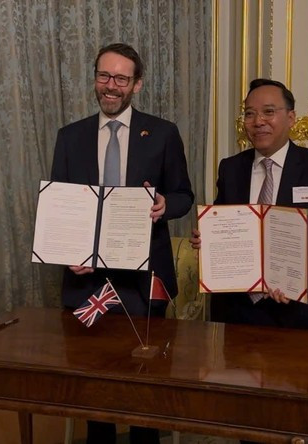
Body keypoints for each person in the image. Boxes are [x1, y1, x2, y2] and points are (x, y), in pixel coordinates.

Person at [50, 43, 193, 444]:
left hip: (145, 282)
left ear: (137, 84)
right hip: (88, 282)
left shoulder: (163, 133)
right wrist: (68, 252)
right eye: (104, 76)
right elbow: (62, 209)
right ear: (95, 78)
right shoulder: (70, 136)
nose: (110, 86)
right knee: (97, 386)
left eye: (121, 79)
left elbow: (184, 194)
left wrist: (165, 205)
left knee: (144, 384)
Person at [191, 78, 308, 333]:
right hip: (237, 310)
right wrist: (209, 239)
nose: (258, 122)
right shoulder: (231, 168)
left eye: (269, 112)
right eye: (250, 114)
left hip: (300, 311)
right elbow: (225, 222)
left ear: (290, 118)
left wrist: (297, 279)